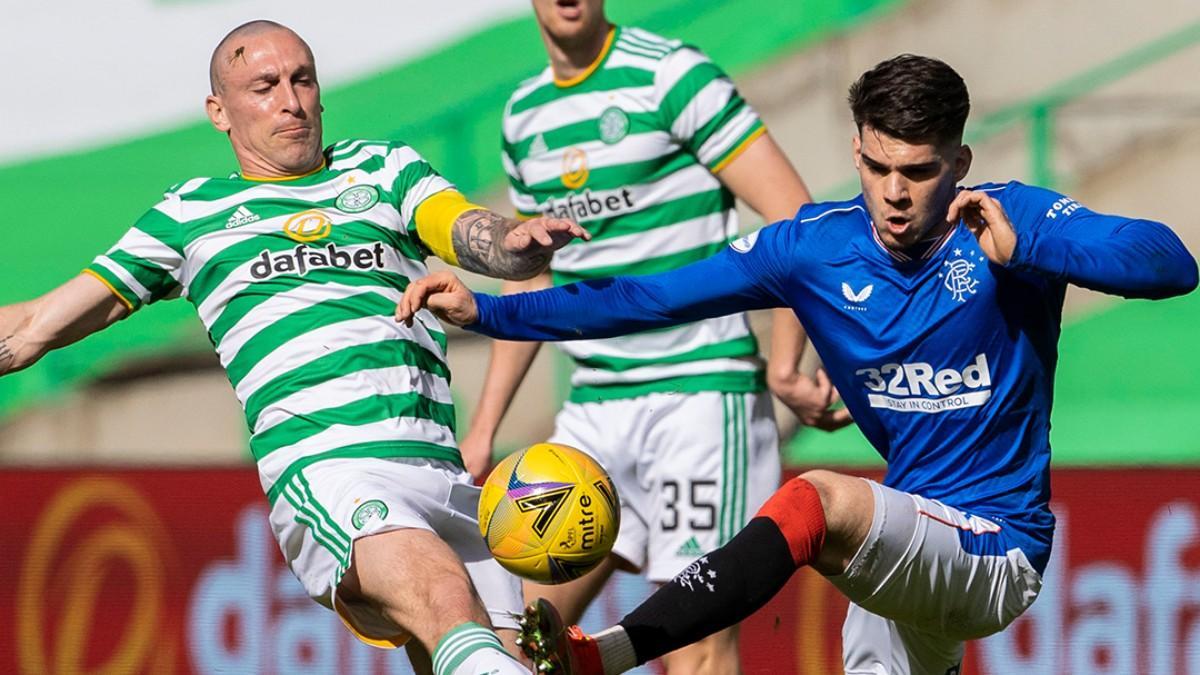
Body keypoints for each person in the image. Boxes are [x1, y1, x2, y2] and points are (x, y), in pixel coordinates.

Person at [397, 54, 1199, 674]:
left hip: (998, 544)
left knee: (819, 500)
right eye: (876, 166)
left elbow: (1169, 260)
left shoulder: (1006, 218)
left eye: (917, 172)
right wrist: (492, 310)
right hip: (911, 544)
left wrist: (1035, 249)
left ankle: (600, 654)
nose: (893, 192)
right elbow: (648, 297)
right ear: (855, 149)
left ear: (957, 160)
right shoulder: (813, 246)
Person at [0, 20, 592, 675]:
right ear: (218, 112)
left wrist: (511, 242)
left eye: (302, 79)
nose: (291, 100)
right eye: (264, 86)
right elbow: (32, 326)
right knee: (444, 596)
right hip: (330, 470)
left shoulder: (385, 169)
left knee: (507, 659)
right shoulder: (190, 215)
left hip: (445, 478)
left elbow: (468, 229)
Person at [465, 0, 848, 671]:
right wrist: (484, 425)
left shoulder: (672, 75)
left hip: (699, 397)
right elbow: (534, 278)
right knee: (515, 638)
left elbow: (797, 222)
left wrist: (786, 361)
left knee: (694, 641)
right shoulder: (524, 116)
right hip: (594, 409)